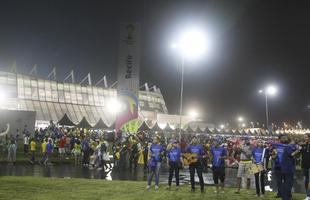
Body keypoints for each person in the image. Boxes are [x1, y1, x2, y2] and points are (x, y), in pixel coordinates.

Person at [280, 135, 299, 200]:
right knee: (289, 183)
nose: (295, 144)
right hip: (288, 168)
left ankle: (285, 196)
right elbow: (291, 154)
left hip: (285, 168)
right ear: (292, 141)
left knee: (285, 183)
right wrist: (298, 150)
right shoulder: (289, 146)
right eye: (294, 142)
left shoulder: (288, 147)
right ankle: (286, 197)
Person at [299, 133, 310, 200]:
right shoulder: (303, 145)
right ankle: (307, 194)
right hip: (304, 165)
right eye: (304, 137)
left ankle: (309, 195)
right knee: (306, 180)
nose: (305, 138)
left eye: (306, 137)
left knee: (309, 181)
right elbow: (298, 152)